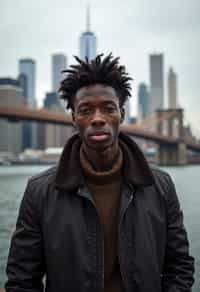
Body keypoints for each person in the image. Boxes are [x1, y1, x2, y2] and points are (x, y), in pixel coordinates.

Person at [5, 54, 194, 292]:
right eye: (85, 110)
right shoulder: (39, 191)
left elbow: (179, 266)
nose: (97, 119)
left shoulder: (160, 185)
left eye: (108, 108)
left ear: (122, 115)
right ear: (74, 118)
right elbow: (22, 280)